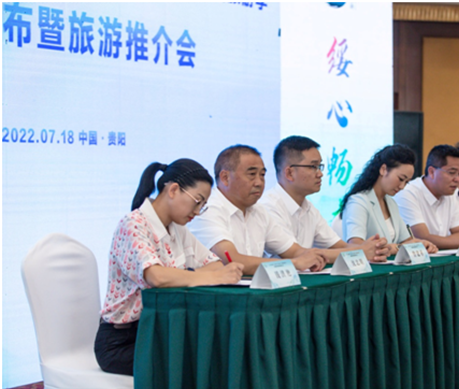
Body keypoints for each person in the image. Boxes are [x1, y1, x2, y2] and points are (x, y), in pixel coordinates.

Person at [94, 159, 244, 376]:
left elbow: (215, 264)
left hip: (159, 333)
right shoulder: (133, 224)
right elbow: (157, 277)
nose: (197, 212)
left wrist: (187, 275)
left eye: (202, 206)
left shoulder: (178, 229)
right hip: (122, 342)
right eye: (197, 202)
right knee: (196, 362)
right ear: (173, 190)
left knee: (215, 351)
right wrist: (207, 277)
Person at [188, 145, 327, 275]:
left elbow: (293, 250)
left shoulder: (259, 210)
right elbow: (232, 260)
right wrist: (295, 263)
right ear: (225, 178)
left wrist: (311, 256)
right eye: (252, 174)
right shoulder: (207, 209)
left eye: (262, 175)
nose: (259, 182)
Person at [260, 135, 391, 263]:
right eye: (313, 167)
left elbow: (340, 246)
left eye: (320, 166)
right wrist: (361, 251)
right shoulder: (269, 207)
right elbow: (300, 255)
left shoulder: (308, 207)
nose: (320, 174)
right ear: (289, 173)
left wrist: (374, 249)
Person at [339, 144, 438, 254]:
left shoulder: (391, 202)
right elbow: (356, 245)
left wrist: (422, 244)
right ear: (383, 170)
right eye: (401, 179)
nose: (402, 186)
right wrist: (397, 248)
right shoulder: (358, 202)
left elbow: (407, 241)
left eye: (406, 182)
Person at [394, 144, 459, 249]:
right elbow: (421, 238)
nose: (457, 179)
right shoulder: (407, 193)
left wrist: (444, 240)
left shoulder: (450, 194)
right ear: (432, 172)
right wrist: (454, 240)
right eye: (452, 173)